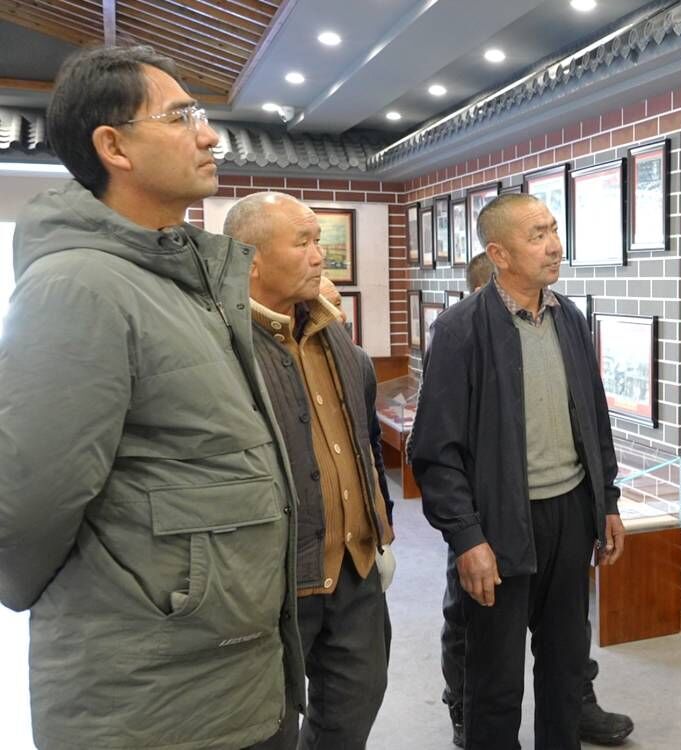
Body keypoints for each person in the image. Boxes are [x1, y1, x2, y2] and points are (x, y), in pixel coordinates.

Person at [0, 45, 302, 748]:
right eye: (181, 117)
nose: (209, 135)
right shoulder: (80, 287)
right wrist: (162, 593)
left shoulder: (181, 280)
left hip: (227, 673)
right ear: (114, 147)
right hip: (154, 693)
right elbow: (27, 506)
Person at [410, 193, 627, 750]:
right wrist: (466, 538)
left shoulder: (568, 318)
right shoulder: (461, 330)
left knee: (566, 667)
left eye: (553, 229)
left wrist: (607, 501)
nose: (554, 245)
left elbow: (594, 418)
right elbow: (435, 451)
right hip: (499, 522)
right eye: (537, 235)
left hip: (570, 516)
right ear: (500, 254)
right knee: (495, 681)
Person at [225, 192, 397, 749]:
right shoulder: (221, 344)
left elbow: (364, 443)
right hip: (273, 584)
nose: (320, 256)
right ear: (250, 258)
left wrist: (382, 526)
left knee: (352, 710)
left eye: (318, 241)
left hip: (354, 569)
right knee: (266, 728)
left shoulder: (336, 336)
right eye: (302, 242)